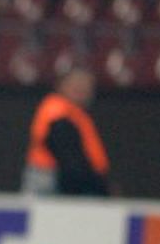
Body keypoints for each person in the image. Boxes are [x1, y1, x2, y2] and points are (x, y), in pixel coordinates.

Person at [22, 65, 112, 197]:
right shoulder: (57, 112)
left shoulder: (75, 113)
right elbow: (69, 158)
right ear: (61, 86)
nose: (82, 89)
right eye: (76, 84)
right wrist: (96, 185)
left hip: (62, 181)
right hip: (50, 180)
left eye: (86, 85)